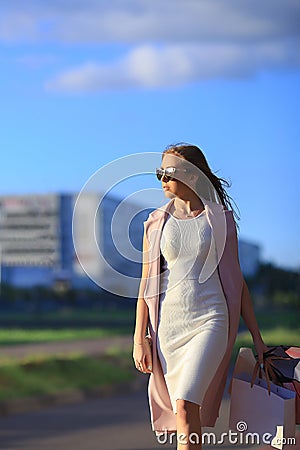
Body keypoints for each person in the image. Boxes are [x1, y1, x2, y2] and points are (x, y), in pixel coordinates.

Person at [133, 143, 268, 449]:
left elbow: (238, 281)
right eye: (159, 173)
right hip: (170, 327)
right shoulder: (155, 223)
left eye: (170, 173)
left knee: (185, 403)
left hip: (211, 319)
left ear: (193, 176)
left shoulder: (219, 220)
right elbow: (146, 284)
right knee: (184, 413)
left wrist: (258, 339)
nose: (163, 180)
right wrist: (139, 337)